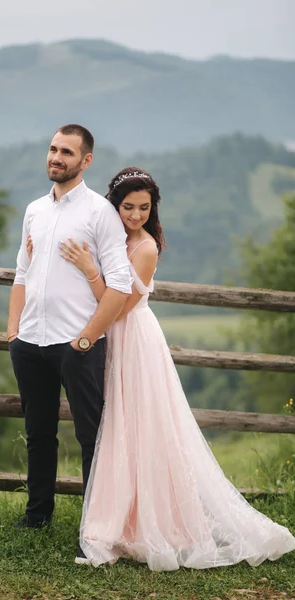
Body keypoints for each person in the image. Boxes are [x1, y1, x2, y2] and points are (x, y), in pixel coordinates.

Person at [55, 167, 295, 570]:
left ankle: (146, 524)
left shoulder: (145, 248)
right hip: (110, 336)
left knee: (138, 426)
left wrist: (89, 269)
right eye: (127, 207)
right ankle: (121, 522)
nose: (135, 215)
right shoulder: (112, 237)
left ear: (153, 209)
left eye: (143, 208)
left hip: (133, 339)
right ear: (114, 205)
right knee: (116, 428)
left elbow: (119, 305)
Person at [7, 125, 132, 558]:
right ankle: (37, 513)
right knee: (38, 432)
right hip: (31, 342)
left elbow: (120, 283)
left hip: (77, 345)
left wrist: (87, 339)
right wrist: (13, 332)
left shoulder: (100, 213)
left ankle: (94, 527)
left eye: (67, 152)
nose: (56, 157)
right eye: (53, 149)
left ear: (86, 160)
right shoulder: (34, 211)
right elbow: (22, 271)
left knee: (91, 436)